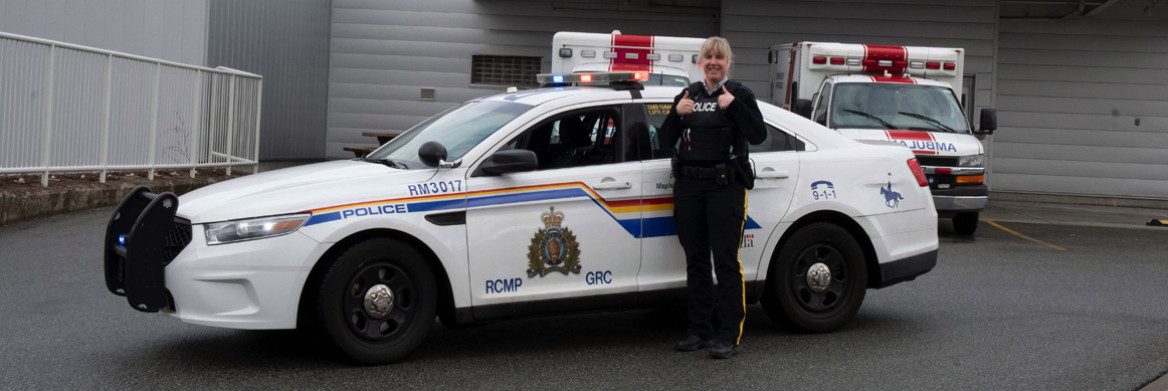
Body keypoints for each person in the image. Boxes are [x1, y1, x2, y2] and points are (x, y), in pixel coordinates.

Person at [659, 36, 765, 359]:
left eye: (719, 57)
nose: (714, 62)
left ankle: (729, 334)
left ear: (727, 62)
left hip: (724, 186)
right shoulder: (688, 94)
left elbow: (758, 134)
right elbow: (664, 141)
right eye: (709, 57)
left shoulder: (740, 94)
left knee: (726, 261)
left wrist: (733, 107)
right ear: (700, 62)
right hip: (690, 187)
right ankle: (699, 330)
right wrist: (676, 114)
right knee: (696, 261)